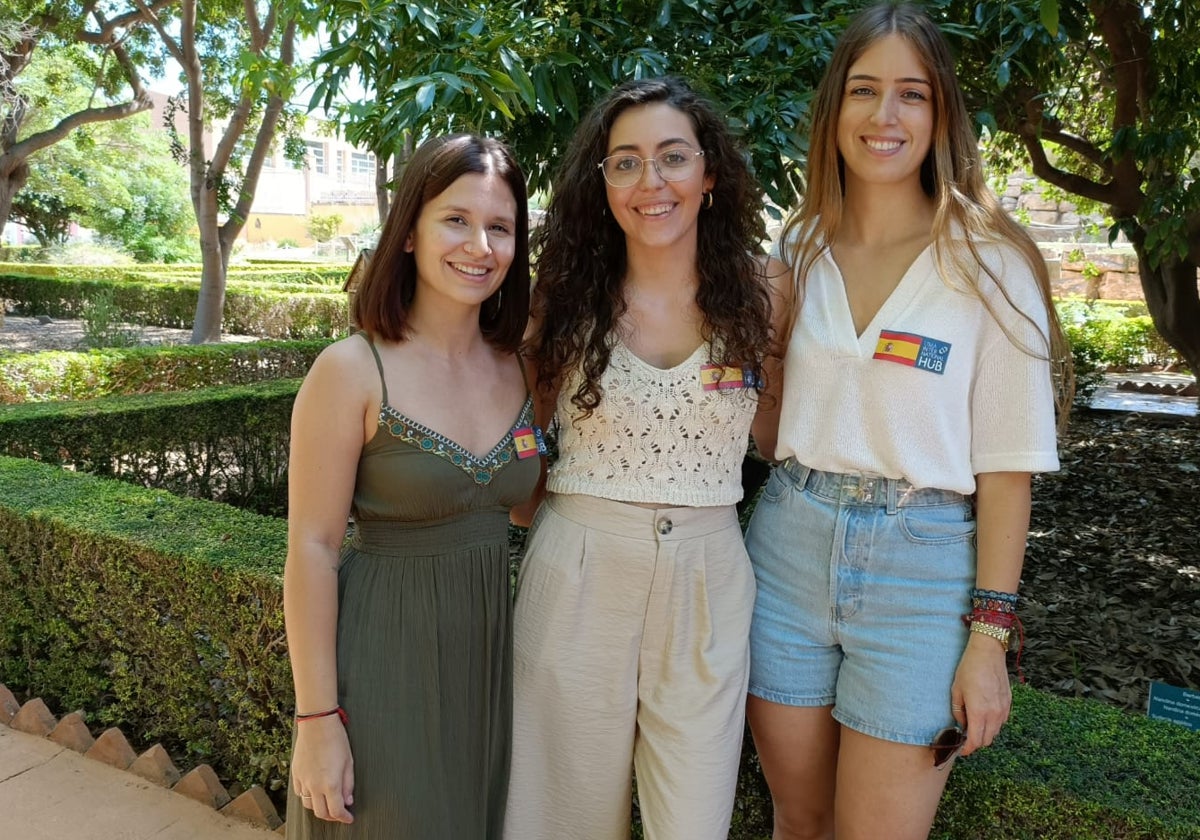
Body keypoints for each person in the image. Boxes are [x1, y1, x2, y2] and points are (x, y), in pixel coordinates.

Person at [744, 4, 1073, 839]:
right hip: (786, 544)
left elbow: (1007, 471)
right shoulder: (799, 250)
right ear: (834, 111)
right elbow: (768, 436)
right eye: (863, 90)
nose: (884, 117)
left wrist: (989, 638)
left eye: (910, 95)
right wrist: (757, 351)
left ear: (941, 114)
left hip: (921, 571)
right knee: (798, 820)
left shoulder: (988, 262)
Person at [503, 77, 778, 840]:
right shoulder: (561, 298)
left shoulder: (764, 293)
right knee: (557, 814)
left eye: (673, 157)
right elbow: (524, 433)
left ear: (710, 173)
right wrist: (544, 516)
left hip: (709, 577)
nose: (650, 182)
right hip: (579, 567)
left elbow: (776, 434)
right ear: (602, 183)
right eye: (625, 162)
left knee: (691, 823)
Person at [283, 133, 537, 839]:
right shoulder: (352, 368)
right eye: (455, 219)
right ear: (409, 234)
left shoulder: (523, 366)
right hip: (386, 664)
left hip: (492, 665)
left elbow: (531, 506)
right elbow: (311, 547)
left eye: (501, 227)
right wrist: (317, 720)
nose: (479, 245)